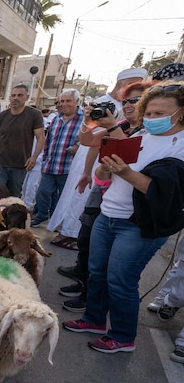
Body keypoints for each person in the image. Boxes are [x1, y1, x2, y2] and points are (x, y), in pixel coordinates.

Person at [62, 82, 184, 353]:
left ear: (181, 112)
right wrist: (106, 170)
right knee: (97, 273)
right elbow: (102, 156)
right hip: (109, 214)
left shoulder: (181, 147)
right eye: (149, 113)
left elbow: (162, 193)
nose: (153, 119)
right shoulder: (142, 133)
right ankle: (94, 319)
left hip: (139, 225)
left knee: (120, 280)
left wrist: (125, 172)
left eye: (161, 113)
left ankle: (122, 336)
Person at [58, 81, 152, 314]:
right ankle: (85, 289)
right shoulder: (121, 125)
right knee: (87, 241)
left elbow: (130, 156)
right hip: (104, 193)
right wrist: (88, 122)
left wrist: (111, 128)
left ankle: (96, 305)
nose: (129, 105)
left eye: (136, 101)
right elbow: (89, 141)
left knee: (115, 271)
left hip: (128, 210)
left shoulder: (149, 132)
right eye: (126, 101)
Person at [0, 84, 45, 198]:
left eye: (20, 95)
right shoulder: (1, 117)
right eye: (13, 95)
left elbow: (41, 137)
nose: (16, 98)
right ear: (10, 97)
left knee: (13, 196)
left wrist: (34, 157)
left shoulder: (34, 115)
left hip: (20, 165)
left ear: (26, 97)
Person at [32, 89, 84, 227]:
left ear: (77, 102)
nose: (64, 104)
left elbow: (89, 139)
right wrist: (44, 160)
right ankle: (42, 215)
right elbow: (48, 140)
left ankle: (57, 221)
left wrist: (77, 146)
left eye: (68, 101)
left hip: (68, 167)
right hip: (51, 165)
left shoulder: (84, 119)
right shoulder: (56, 119)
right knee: (42, 192)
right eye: (62, 101)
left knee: (63, 198)